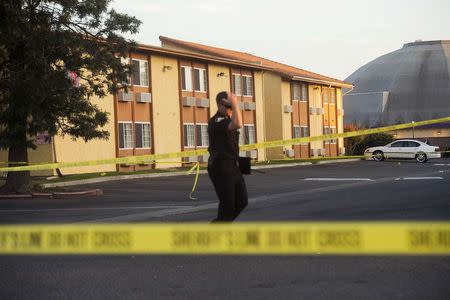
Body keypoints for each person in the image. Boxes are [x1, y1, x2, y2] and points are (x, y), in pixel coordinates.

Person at [207, 91, 248, 222]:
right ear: (221, 105)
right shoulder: (216, 121)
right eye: (229, 107)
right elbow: (238, 124)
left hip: (233, 165)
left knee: (242, 201)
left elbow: (237, 125)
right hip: (221, 167)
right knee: (227, 207)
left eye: (232, 108)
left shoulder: (228, 120)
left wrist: (234, 105)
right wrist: (235, 103)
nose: (231, 110)